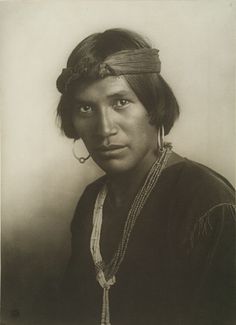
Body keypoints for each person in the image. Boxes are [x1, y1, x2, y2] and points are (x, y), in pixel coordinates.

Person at [56, 28, 235, 325]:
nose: (104, 129)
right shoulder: (91, 202)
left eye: (120, 102)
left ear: (154, 105)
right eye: (86, 108)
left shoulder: (209, 204)